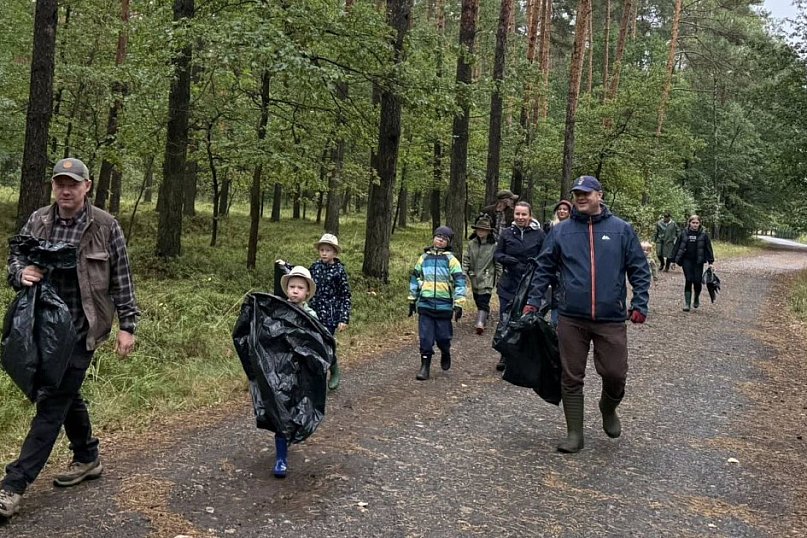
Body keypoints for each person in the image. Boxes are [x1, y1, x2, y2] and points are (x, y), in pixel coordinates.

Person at [0, 158, 140, 518]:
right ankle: (88, 456)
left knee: (52, 400)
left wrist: (128, 326)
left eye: (73, 184)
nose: (66, 190)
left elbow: (121, 279)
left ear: (87, 186)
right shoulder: (39, 220)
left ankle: (13, 485)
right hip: (43, 328)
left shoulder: (105, 226)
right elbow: (16, 257)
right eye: (60, 183)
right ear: (53, 186)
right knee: (66, 393)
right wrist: (21, 272)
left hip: (83, 328)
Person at [522, 175, 650, 454]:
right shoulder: (561, 232)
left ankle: (608, 406)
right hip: (570, 316)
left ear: (599, 195)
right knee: (571, 376)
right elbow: (543, 268)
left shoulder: (621, 230)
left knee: (615, 373)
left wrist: (640, 303)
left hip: (611, 317)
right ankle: (574, 434)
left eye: (586, 193)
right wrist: (533, 302)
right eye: (577, 193)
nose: (581, 197)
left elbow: (639, 268)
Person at [274, 265, 319, 478]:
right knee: (279, 409)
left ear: (307, 292)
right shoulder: (277, 310)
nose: (295, 291)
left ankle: (293, 434)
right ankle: (280, 457)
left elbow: (318, 343)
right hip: (280, 371)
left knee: (296, 407)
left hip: (301, 371)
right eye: (292, 286)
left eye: (300, 287)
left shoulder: (311, 315)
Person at [408, 226, 467, 381]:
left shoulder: (451, 260)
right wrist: (412, 299)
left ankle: (445, 351)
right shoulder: (423, 258)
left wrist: (459, 303)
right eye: (438, 236)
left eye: (444, 238)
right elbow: (415, 277)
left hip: (444, 305)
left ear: (448, 242)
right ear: (433, 238)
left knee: (443, 337)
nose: (440, 239)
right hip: (425, 304)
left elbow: (460, 281)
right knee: (425, 338)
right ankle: (425, 366)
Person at [493, 201, 546, 371]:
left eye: (524, 214)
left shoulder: (539, 235)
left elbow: (545, 258)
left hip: (529, 285)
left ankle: (524, 356)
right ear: (514, 215)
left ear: (530, 215)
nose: (520, 217)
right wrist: (509, 260)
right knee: (506, 319)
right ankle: (505, 354)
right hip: (508, 283)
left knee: (525, 321)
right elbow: (498, 254)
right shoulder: (507, 233)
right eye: (518, 214)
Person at [309, 233, 352, 390]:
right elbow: (302, 279)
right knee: (314, 343)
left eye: (327, 250)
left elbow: (345, 295)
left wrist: (343, 318)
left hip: (331, 315)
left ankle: (334, 371)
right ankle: (316, 376)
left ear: (334, 252)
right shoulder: (314, 267)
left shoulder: (339, 271)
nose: (324, 253)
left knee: (326, 344)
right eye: (322, 250)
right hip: (314, 313)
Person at [461, 214, 501, 335]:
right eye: (479, 229)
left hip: (488, 277)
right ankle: (484, 314)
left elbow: (498, 263)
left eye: (484, 229)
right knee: (478, 299)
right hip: (474, 277)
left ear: (489, 231)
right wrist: (463, 272)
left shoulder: (494, 245)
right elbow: (466, 259)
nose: (481, 231)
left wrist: (499, 278)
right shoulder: (471, 243)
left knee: (484, 300)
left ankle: (480, 323)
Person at [672, 214, 714, 312]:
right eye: (693, 223)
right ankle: (687, 303)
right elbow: (677, 246)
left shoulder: (704, 234)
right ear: (689, 223)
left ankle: (696, 297)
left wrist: (711, 262)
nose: (695, 225)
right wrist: (673, 260)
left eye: (697, 223)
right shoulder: (683, 233)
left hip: (698, 261)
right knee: (689, 279)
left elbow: (708, 248)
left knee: (697, 281)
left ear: (700, 224)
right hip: (686, 260)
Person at [545, 200, 572, 327]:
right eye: (560, 209)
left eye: (565, 209)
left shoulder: (574, 228)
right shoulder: (549, 227)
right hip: (551, 268)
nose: (562, 211)